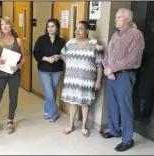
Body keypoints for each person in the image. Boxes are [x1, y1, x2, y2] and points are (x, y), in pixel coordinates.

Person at [102, 8, 145, 151]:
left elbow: (131, 59)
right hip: (111, 75)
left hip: (125, 75)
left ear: (128, 19)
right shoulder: (115, 35)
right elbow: (108, 54)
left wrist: (112, 68)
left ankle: (127, 139)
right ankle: (114, 131)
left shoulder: (136, 35)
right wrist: (107, 67)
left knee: (125, 107)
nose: (115, 19)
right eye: (115, 17)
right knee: (112, 104)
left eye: (118, 17)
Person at [61, 21, 103, 137]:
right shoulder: (70, 43)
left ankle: (84, 126)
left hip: (87, 80)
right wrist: (68, 62)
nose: (77, 31)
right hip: (72, 79)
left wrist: (98, 81)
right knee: (73, 102)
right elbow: (63, 53)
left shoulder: (94, 44)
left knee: (85, 103)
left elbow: (99, 64)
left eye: (81, 28)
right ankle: (71, 125)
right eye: (76, 28)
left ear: (87, 31)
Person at [0, 16, 25, 134]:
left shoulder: (18, 41)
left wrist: (18, 66)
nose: (5, 26)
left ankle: (10, 120)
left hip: (14, 73)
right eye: (2, 24)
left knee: (13, 97)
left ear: (11, 25)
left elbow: (24, 58)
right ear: (0, 27)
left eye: (7, 24)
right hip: (0, 73)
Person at [33, 18, 66, 122]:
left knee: (52, 91)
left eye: (53, 26)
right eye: (48, 26)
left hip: (57, 69)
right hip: (44, 69)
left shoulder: (61, 41)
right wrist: (46, 58)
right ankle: (53, 114)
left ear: (57, 28)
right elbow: (36, 52)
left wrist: (58, 57)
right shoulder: (41, 39)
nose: (50, 29)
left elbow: (65, 55)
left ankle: (47, 110)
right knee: (49, 91)